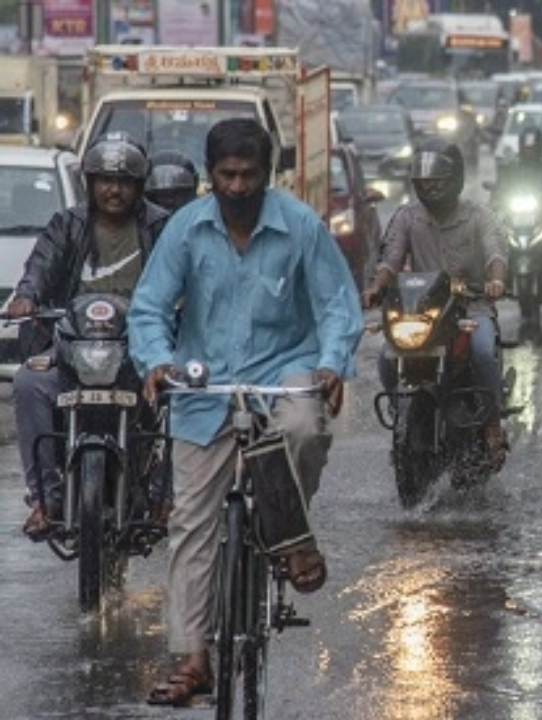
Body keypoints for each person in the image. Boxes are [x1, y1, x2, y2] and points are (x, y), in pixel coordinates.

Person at [129, 117, 362, 706]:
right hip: (205, 382)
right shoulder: (185, 228)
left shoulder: (302, 226)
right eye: (226, 175)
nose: (237, 186)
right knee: (190, 524)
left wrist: (332, 363)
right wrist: (157, 361)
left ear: (268, 175)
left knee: (306, 423)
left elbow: (337, 305)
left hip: (283, 370)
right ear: (211, 176)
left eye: (248, 174)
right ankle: (193, 658)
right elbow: (150, 307)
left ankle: (289, 532)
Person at [3, 132, 170, 540]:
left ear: (139, 186)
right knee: (28, 384)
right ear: (90, 183)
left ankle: (165, 495)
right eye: (104, 180)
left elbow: (180, 277)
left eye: (124, 181)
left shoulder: (162, 226)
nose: (114, 189)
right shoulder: (69, 224)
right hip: (74, 345)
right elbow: (40, 267)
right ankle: (47, 497)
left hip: (142, 348)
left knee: (184, 395)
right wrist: (26, 296)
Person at [360, 139, 510, 465]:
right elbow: (390, 262)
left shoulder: (479, 216)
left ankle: (492, 423)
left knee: (483, 350)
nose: (430, 188)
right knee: (388, 356)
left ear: (454, 179)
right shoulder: (407, 217)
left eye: (437, 181)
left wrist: (495, 279)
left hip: (472, 306)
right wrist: (375, 288)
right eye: (424, 182)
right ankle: (401, 409)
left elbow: (495, 252)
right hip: (422, 309)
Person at [490, 126, 542, 293]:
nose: (529, 152)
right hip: (515, 212)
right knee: (500, 236)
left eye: (533, 148)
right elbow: (501, 186)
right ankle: (502, 277)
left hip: (539, 212)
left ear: (540, 148)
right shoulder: (512, 167)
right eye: (526, 148)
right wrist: (496, 197)